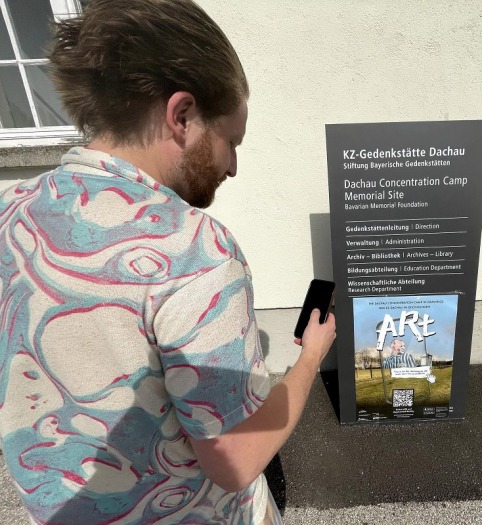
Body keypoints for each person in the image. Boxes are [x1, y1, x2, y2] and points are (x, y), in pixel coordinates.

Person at [0, 0, 336, 523]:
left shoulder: (10, 212)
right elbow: (234, 459)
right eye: (230, 140)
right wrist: (311, 357)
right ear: (181, 115)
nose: (233, 166)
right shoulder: (194, 251)